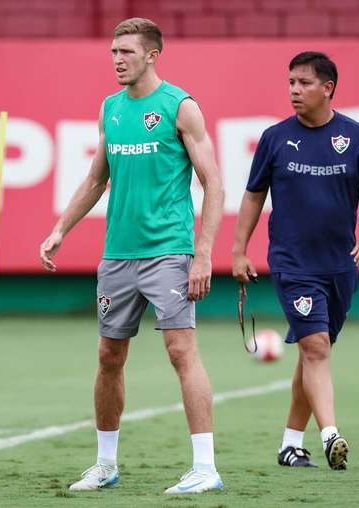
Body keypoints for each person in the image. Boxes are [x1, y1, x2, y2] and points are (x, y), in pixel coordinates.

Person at [39, 18, 225, 494]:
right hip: (118, 254)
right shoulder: (111, 108)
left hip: (169, 251)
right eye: (114, 52)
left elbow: (214, 184)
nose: (118, 59)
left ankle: (205, 468)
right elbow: (96, 178)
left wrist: (203, 254)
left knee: (181, 351)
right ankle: (105, 464)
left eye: (127, 52)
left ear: (152, 55)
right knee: (109, 356)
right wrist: (61, 228)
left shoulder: (180, 107)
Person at [231, 51, 359, 470]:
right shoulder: (275, 138)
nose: (294, 91)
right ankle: (330, 435)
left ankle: (290, 445)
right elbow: (253, 196)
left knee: (312, 351)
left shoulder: (356, 137)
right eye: (291, 83)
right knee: (315, 346)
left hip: (341, 265)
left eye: (303, 83)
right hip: (293, 264)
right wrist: (239, 250)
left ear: (327, 88)